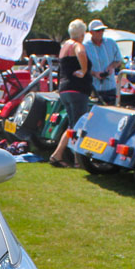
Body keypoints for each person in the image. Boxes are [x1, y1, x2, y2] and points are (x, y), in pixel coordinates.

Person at [49, 19, 90, 168]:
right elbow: (81, 52)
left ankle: (57, 154)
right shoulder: (77, 45)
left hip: (64, 89)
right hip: (77, 89)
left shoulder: (64, 46)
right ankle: (77, 160)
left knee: (72, 125)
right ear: (82, 34)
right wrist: (84, 70)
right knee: (79, 125)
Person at [83, 19, 123, 105]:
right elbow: (82, 68)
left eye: (102, 30)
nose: (101, 32)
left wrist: (111, 67)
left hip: (111, 87)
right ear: (91, 32)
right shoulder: (85, 47)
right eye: (98, 31)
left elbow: (119, 61)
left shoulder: (111, 43)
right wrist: (95, 73)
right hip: (94, 89)